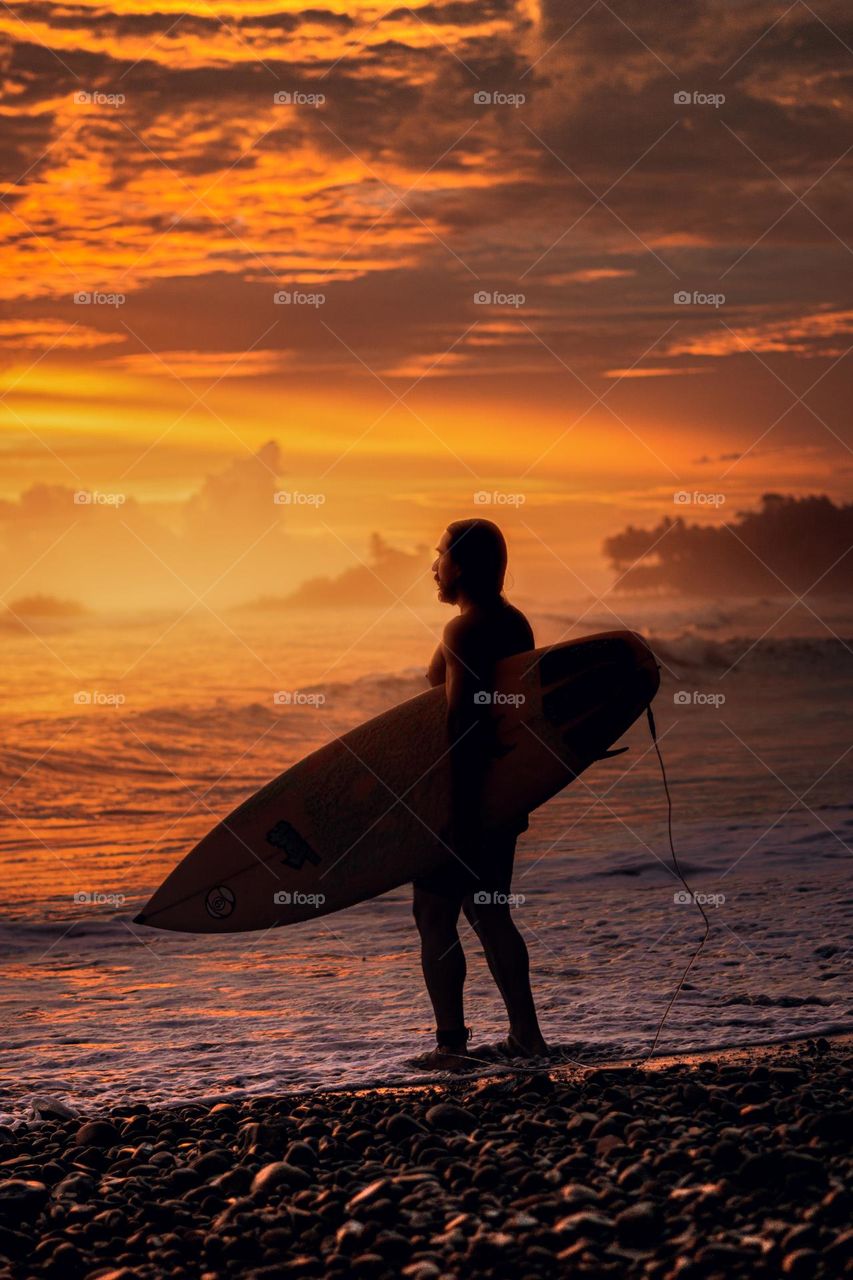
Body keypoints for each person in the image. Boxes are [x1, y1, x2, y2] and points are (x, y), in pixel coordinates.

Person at [412, 518, 548, 1069]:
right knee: (490, 912)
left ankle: (451, 1047)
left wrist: (456, 813)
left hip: (468, 796)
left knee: (433, 914)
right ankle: (527, 1037)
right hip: (504, 791)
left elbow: (462, 723)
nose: (434, 566)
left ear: (461, 565)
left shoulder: (465, 632)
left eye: (440, 555)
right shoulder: (512, 623)